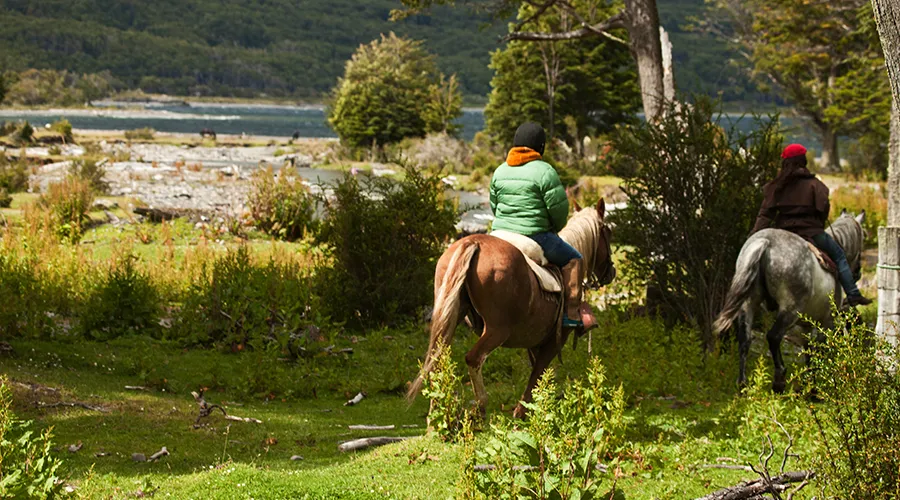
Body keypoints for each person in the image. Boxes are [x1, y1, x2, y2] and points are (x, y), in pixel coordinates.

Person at [489, 122, 596, 327]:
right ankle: (571, 315)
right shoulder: (545, 171)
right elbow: (558, 212)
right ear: (541, 146)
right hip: (535, 235)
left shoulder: (500, 171)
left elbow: (495, 206)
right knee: (574, 259)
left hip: (500, 233)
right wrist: (554, 228)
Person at [751, 143, 872, 306]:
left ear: (785, 163)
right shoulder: (816, 185)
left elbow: (765, 215)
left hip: (782, 233)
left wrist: (753, 236)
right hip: (811, 233)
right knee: (839, 255)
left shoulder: (775, 187)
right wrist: (816, 226)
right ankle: (852, 294)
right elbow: (823, 212)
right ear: (803, 161)